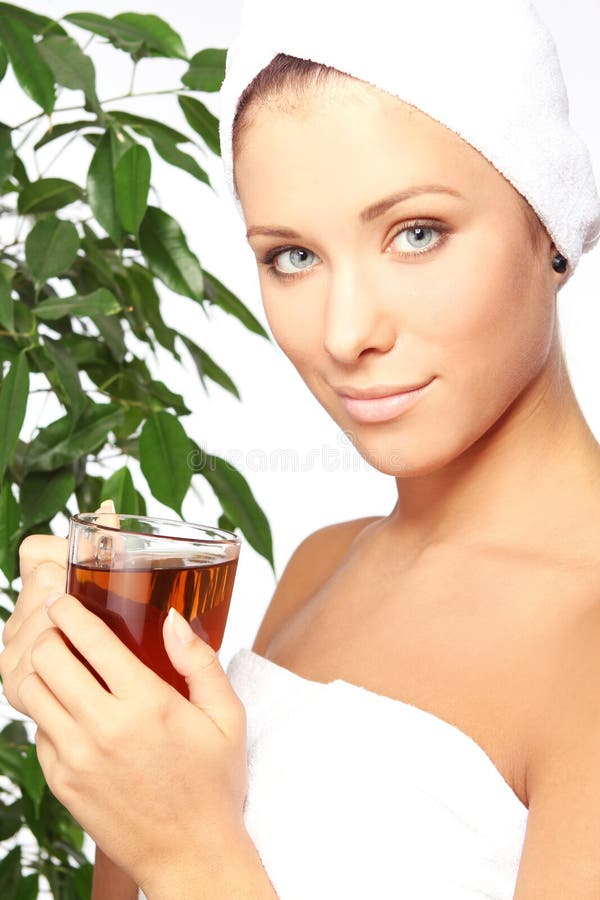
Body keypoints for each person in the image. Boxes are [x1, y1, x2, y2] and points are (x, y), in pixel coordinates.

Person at [2, 0, 600, 897]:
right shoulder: (320, 567)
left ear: (548, 225)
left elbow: (196, 863)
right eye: (291, 256)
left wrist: (189, 852)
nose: (345, 331)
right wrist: (111, 733)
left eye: (417, 234)